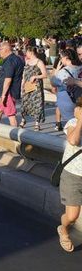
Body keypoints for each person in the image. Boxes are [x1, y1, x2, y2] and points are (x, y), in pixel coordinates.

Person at [58, 96, 82, 253]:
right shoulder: (73, 123)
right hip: (73, 175)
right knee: (72, 216)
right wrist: (81, 121)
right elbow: (73, 141)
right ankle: (63, 229)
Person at [0, 41, 24, 127]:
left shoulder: (9, 61)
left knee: (11, 115)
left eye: (0, 49)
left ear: (6, 49)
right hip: (10, 91)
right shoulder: (17, 59)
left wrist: (3, 95)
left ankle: (15, 137)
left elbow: (8, 79)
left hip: (8, 93)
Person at [51, 48, 82, 132]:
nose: (60, 60)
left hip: (70, 104)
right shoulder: (80, 68)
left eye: (61, 57)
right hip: (79, 100)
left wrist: (56, 71)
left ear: (66, 58)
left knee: (74, 130)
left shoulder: (63, 72)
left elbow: (53, 83)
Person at [20, 47, 47, 131]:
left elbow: (45, 74)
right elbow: (24, 75)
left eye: (26, 51)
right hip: (27, 86)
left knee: (37, 104)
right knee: (25, 102)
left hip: (36, 87)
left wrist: (35, 76)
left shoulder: (39, 62)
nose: (25, 53)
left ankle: (37, 123)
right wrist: (22, 85)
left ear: (31, 52)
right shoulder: (27, 61)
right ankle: (23, 120)